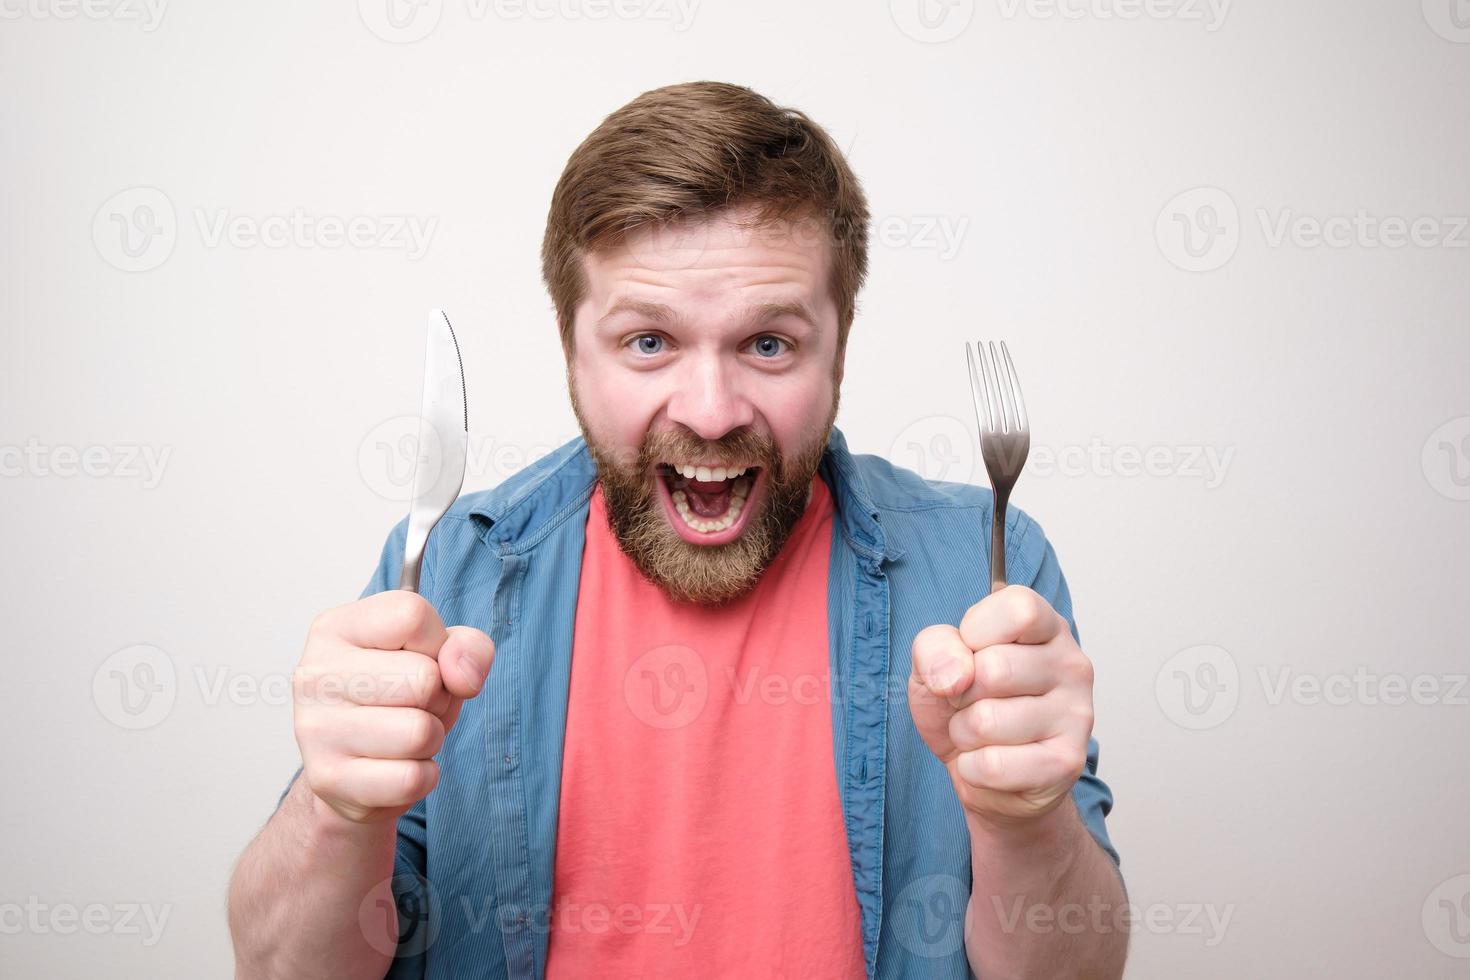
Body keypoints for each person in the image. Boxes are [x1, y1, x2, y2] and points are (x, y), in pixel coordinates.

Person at [227, 80, 1127, 980]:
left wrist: (1025, 820)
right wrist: (335, 812)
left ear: (840, 347)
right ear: (571, 351)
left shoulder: (983, 570)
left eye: (768, 343)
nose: (708, 412)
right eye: (649, 341)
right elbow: (282, 970)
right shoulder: (450, 565)